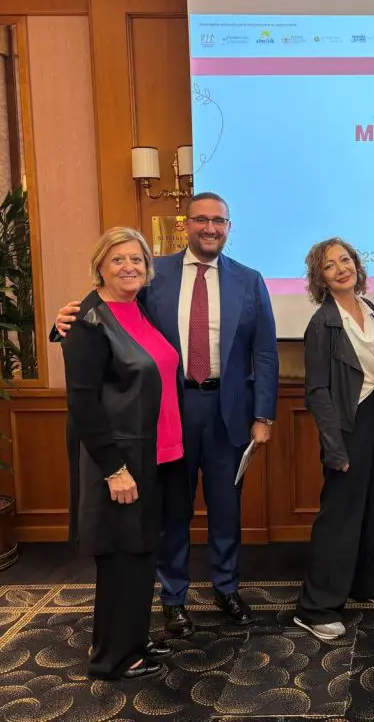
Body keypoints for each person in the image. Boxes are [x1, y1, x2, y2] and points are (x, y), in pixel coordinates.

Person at [54, 192, 279, 637]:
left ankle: (227, 588)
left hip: (228, 412)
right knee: (172, 510)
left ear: (229, 228)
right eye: (201, 220)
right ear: (186, 225)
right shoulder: (153, 274)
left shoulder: (249, 280)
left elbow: (266, 352)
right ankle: (173, 597)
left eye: (219, 221)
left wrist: (264, 416)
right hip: (168, 411)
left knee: (226, 508)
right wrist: (63, 323)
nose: (210, 228)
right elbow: (108, 310)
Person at [63, 227, 183, 680]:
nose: (129, 267)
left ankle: (130, 639)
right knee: (120, 557)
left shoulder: (137, 308)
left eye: (136, 259)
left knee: (139, 554)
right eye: (118, 259)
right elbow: (83, 402)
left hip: (155, 452)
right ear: (100, 266)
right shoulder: (87, 320)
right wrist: (113, 469)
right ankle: (113, 658)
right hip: (120, 460)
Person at [293, 237, 374, 641]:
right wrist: (333, 444)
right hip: (345, 422)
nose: (341, 269)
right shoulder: (321, 322)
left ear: (357, 265)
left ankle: (368, 583)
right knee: (340, 514)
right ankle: (315, 607)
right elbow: (317, 391)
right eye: (329, 265)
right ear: (319, 278)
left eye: (345, 260)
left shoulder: (370, 307)